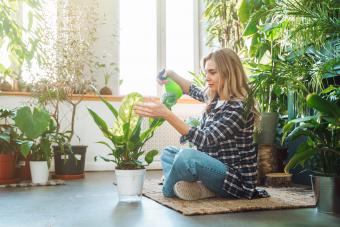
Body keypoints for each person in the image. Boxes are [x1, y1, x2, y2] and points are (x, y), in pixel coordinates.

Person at [134, 48, 268, 201]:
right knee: (168, 153)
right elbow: (190, 89)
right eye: (206, 73)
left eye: (212, 72)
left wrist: (167, 114)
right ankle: (204, 188)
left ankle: (170, 188)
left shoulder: (239, 108)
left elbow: (206, 139)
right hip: (212, 168)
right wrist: (170, 73)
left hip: (233, 180)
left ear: (228, 72)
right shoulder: (215, 98)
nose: (207, 78)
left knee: (186, 157)